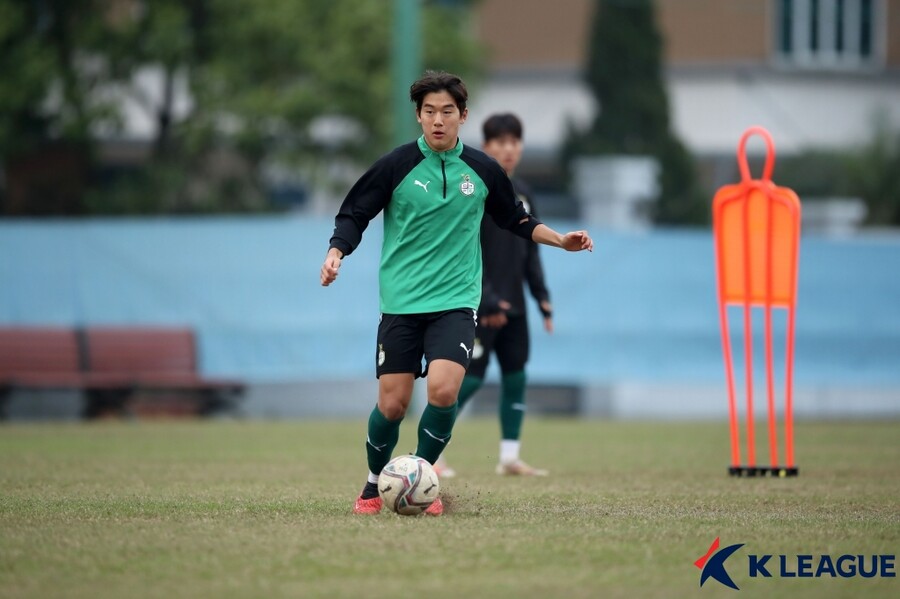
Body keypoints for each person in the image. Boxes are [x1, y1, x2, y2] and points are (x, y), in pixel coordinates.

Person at [320, 71, 593, 516]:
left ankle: (420, 479)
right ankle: (372, 484)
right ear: (418, 115)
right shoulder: (396, 165)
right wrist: (336, 252)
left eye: (447, 111)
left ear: (463, 116)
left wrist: (561, 240)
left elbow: (517, 219)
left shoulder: (484, 170)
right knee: (393, 404)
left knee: (445, 391)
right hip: (402, 302)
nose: (438, 120)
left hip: (456, 303)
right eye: (429, 111)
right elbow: (354, 214)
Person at [434, 113, 551, 478]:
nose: (508, 149)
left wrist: (541, 296)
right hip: (480, 305)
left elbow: (531, 250)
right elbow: (462, 248)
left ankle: (510, 458)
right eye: (500, 142)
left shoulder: (524, 193)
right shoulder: (473, 188)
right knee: (468, 380)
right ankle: (433, 454)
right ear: (486, 147)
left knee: (516, 377)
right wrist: (486, 298)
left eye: (514, 142)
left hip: (515, 306)